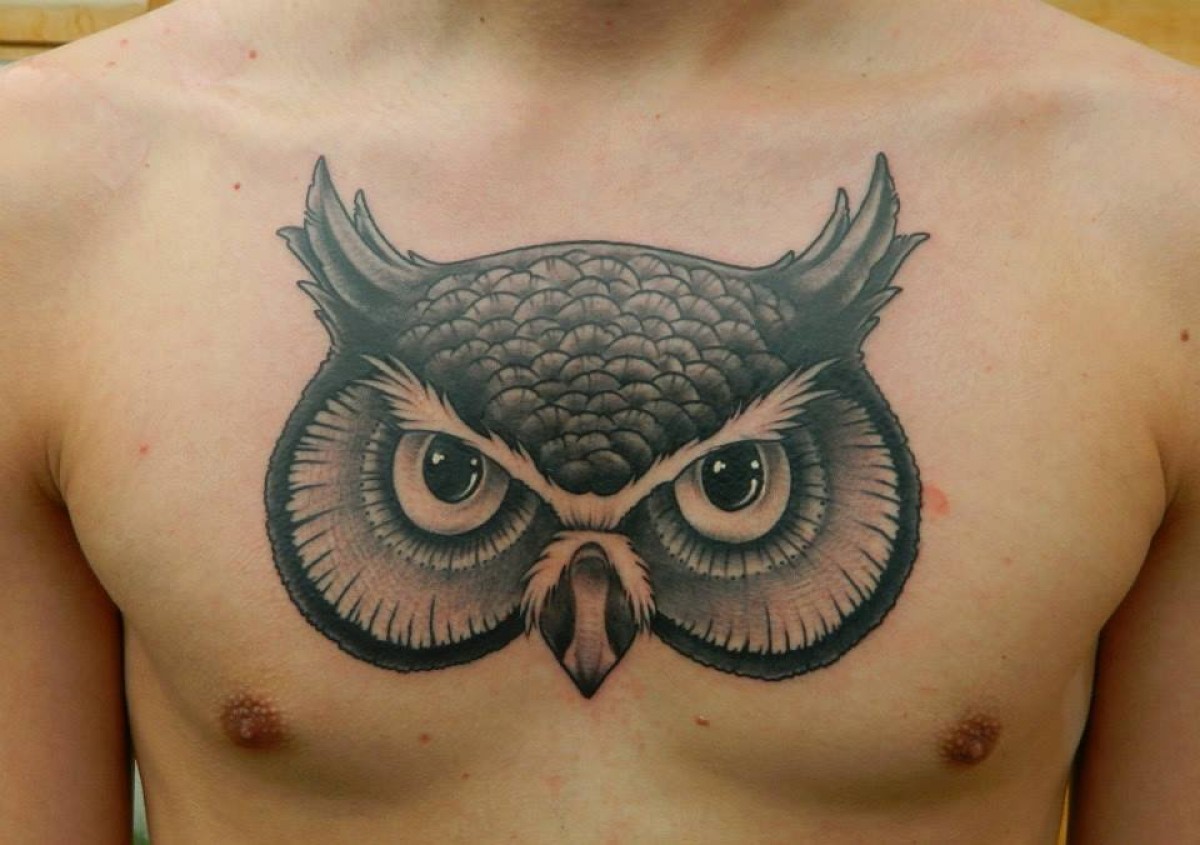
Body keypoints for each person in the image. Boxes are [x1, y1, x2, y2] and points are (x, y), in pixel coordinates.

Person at [1, 0, 1197, 841]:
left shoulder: (1155, 206)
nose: (591, 617)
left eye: (734, 483)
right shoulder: (56, 189)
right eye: (449, 478)